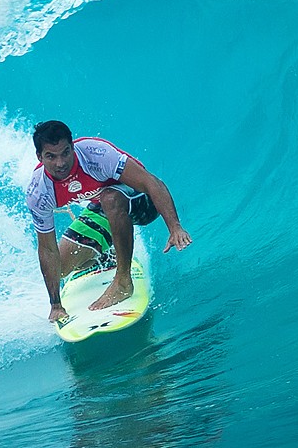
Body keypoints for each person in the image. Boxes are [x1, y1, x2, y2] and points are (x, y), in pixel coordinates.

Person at [25, 120, 192, 323]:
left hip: (143, 202)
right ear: (40, 157)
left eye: (65, 153)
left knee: (110, 198)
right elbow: (47, 249)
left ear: (73, 147)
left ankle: (123, 281)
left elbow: (151, 182)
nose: (61, 163)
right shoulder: (39, 191)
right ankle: (106, 257)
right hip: (103, 207)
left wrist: (174, 227)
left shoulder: (95, 155)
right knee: (60, 268)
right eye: (51, 156)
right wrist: (56, 305)